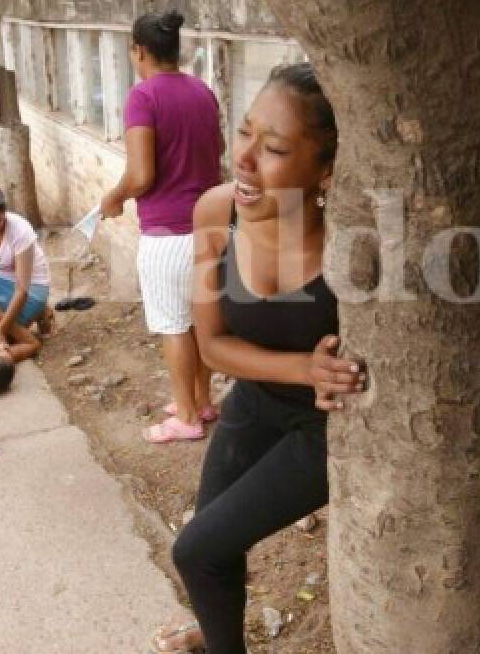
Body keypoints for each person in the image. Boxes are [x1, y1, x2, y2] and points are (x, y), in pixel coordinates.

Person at [149, 64, 364, 653]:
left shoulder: (349, 246)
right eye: (244, 132)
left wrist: (323, 378)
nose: (244, 158)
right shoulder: (216, 213)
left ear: (325, 169)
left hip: (325, 429)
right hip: (255, 401)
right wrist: (304, 367)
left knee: (195, 549)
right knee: (212, 549)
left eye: (273, 148)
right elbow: (213, 346)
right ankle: (217, 637)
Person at [100, 9, 224, 444]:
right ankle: (202, 400)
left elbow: (141, 175)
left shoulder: (143, 97)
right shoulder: (203, 92)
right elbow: (217, 155)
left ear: (139, 51)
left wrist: (114, 197)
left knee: (173, 325)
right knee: (200, 322)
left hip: (168, 236)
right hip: (212, 229)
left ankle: (186, 417)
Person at [0, 183, 51, 364]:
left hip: (32, 288)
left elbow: (22, 290)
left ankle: (39, 310)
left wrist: (0, 330)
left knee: (4, 338)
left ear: (5, 213)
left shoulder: (20, 230)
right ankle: (31, 317)